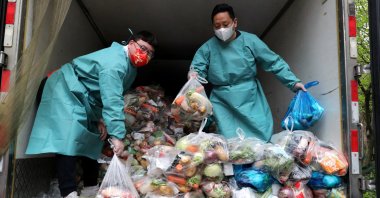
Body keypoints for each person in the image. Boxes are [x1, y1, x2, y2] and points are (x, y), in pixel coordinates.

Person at [26, 30, 157, 198]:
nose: (145, 55)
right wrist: (117, 135)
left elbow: (102, 95)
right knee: (68, 140)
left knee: (95, 137)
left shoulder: (130, 67)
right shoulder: (115, 63)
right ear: (131, 44)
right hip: (63, 88)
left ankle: (90, 189)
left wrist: (100, 119)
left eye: (149, 53)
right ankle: (69, 192)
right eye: (143, 48)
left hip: (81, 96)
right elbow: (112, 98)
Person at [190, 3, 306, 141]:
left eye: (225, 24)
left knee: (260, 137)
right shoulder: (207, 48)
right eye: (217, 26)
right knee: (230, 143)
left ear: (235, 22)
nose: (221, 29)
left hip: (250, 97)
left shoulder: (250, 41)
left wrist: (293, 82)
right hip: (222, 101)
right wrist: (193, 76)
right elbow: (197, 69)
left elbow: (273, 62)